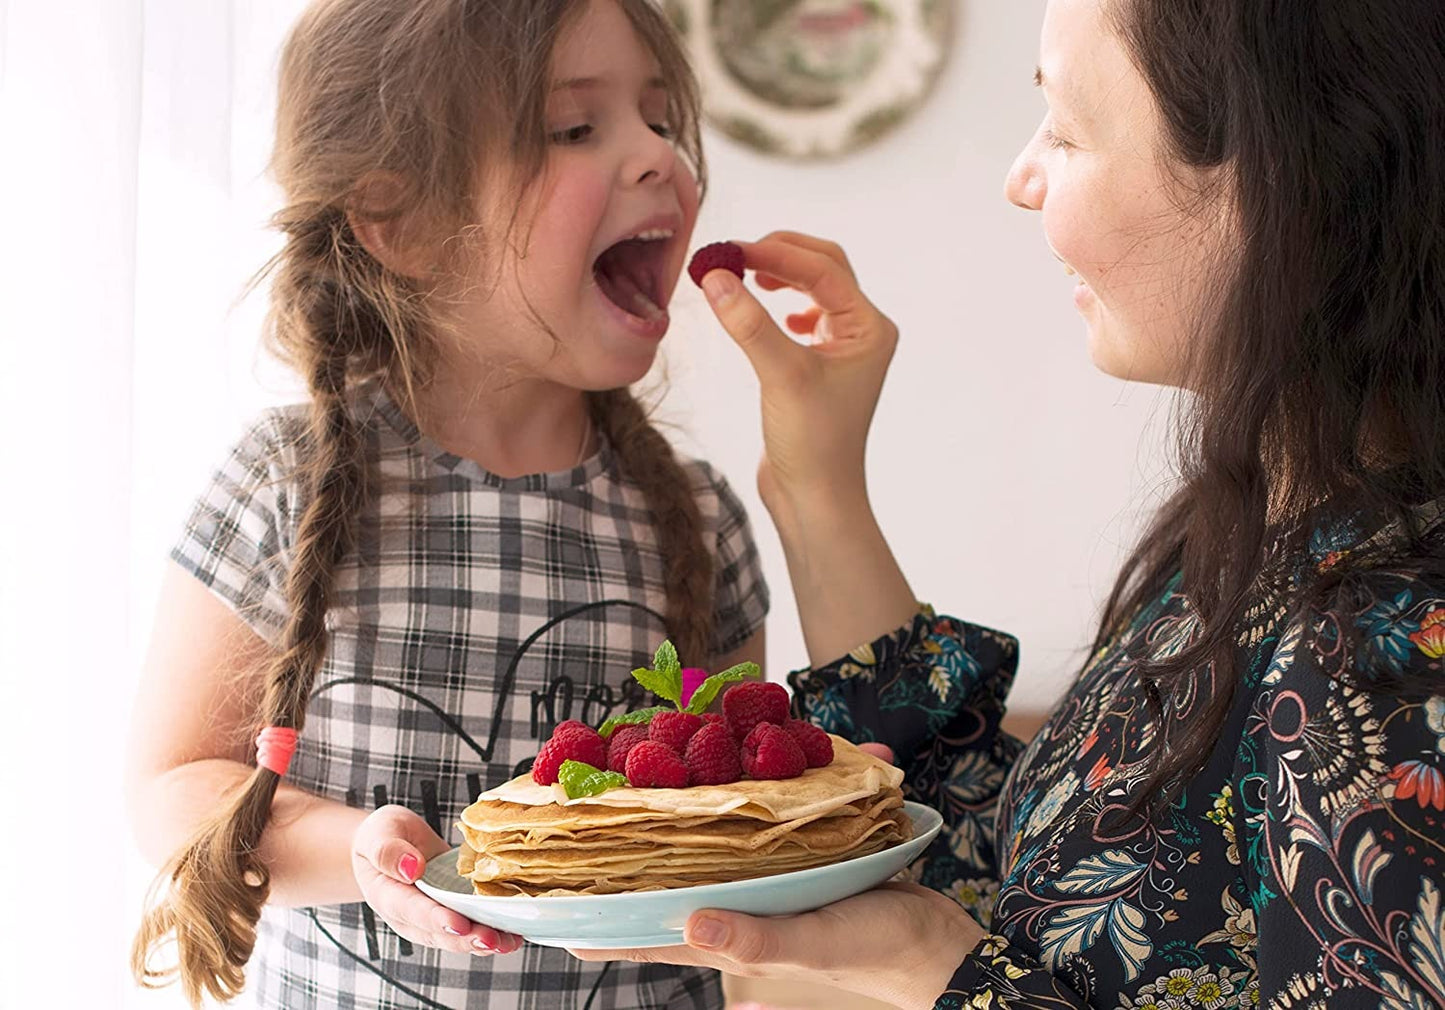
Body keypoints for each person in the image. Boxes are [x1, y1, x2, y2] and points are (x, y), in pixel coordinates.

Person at [572, 0, 1445, 1007]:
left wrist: (931, 970)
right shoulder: (1257, 537)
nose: (1020, 180)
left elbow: (979, 944)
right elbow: (1026, 867)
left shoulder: (1388, 651)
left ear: (1280, 178)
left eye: (1066, 132)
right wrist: (816, 483)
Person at [125, 1, 769, 1007]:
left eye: (657, 117)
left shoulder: (695, 518)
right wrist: (360, 849)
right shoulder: (280, 481)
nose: (656, 157)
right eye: (573, 128)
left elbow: (735, 820)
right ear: (405, 222)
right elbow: (173, 788)